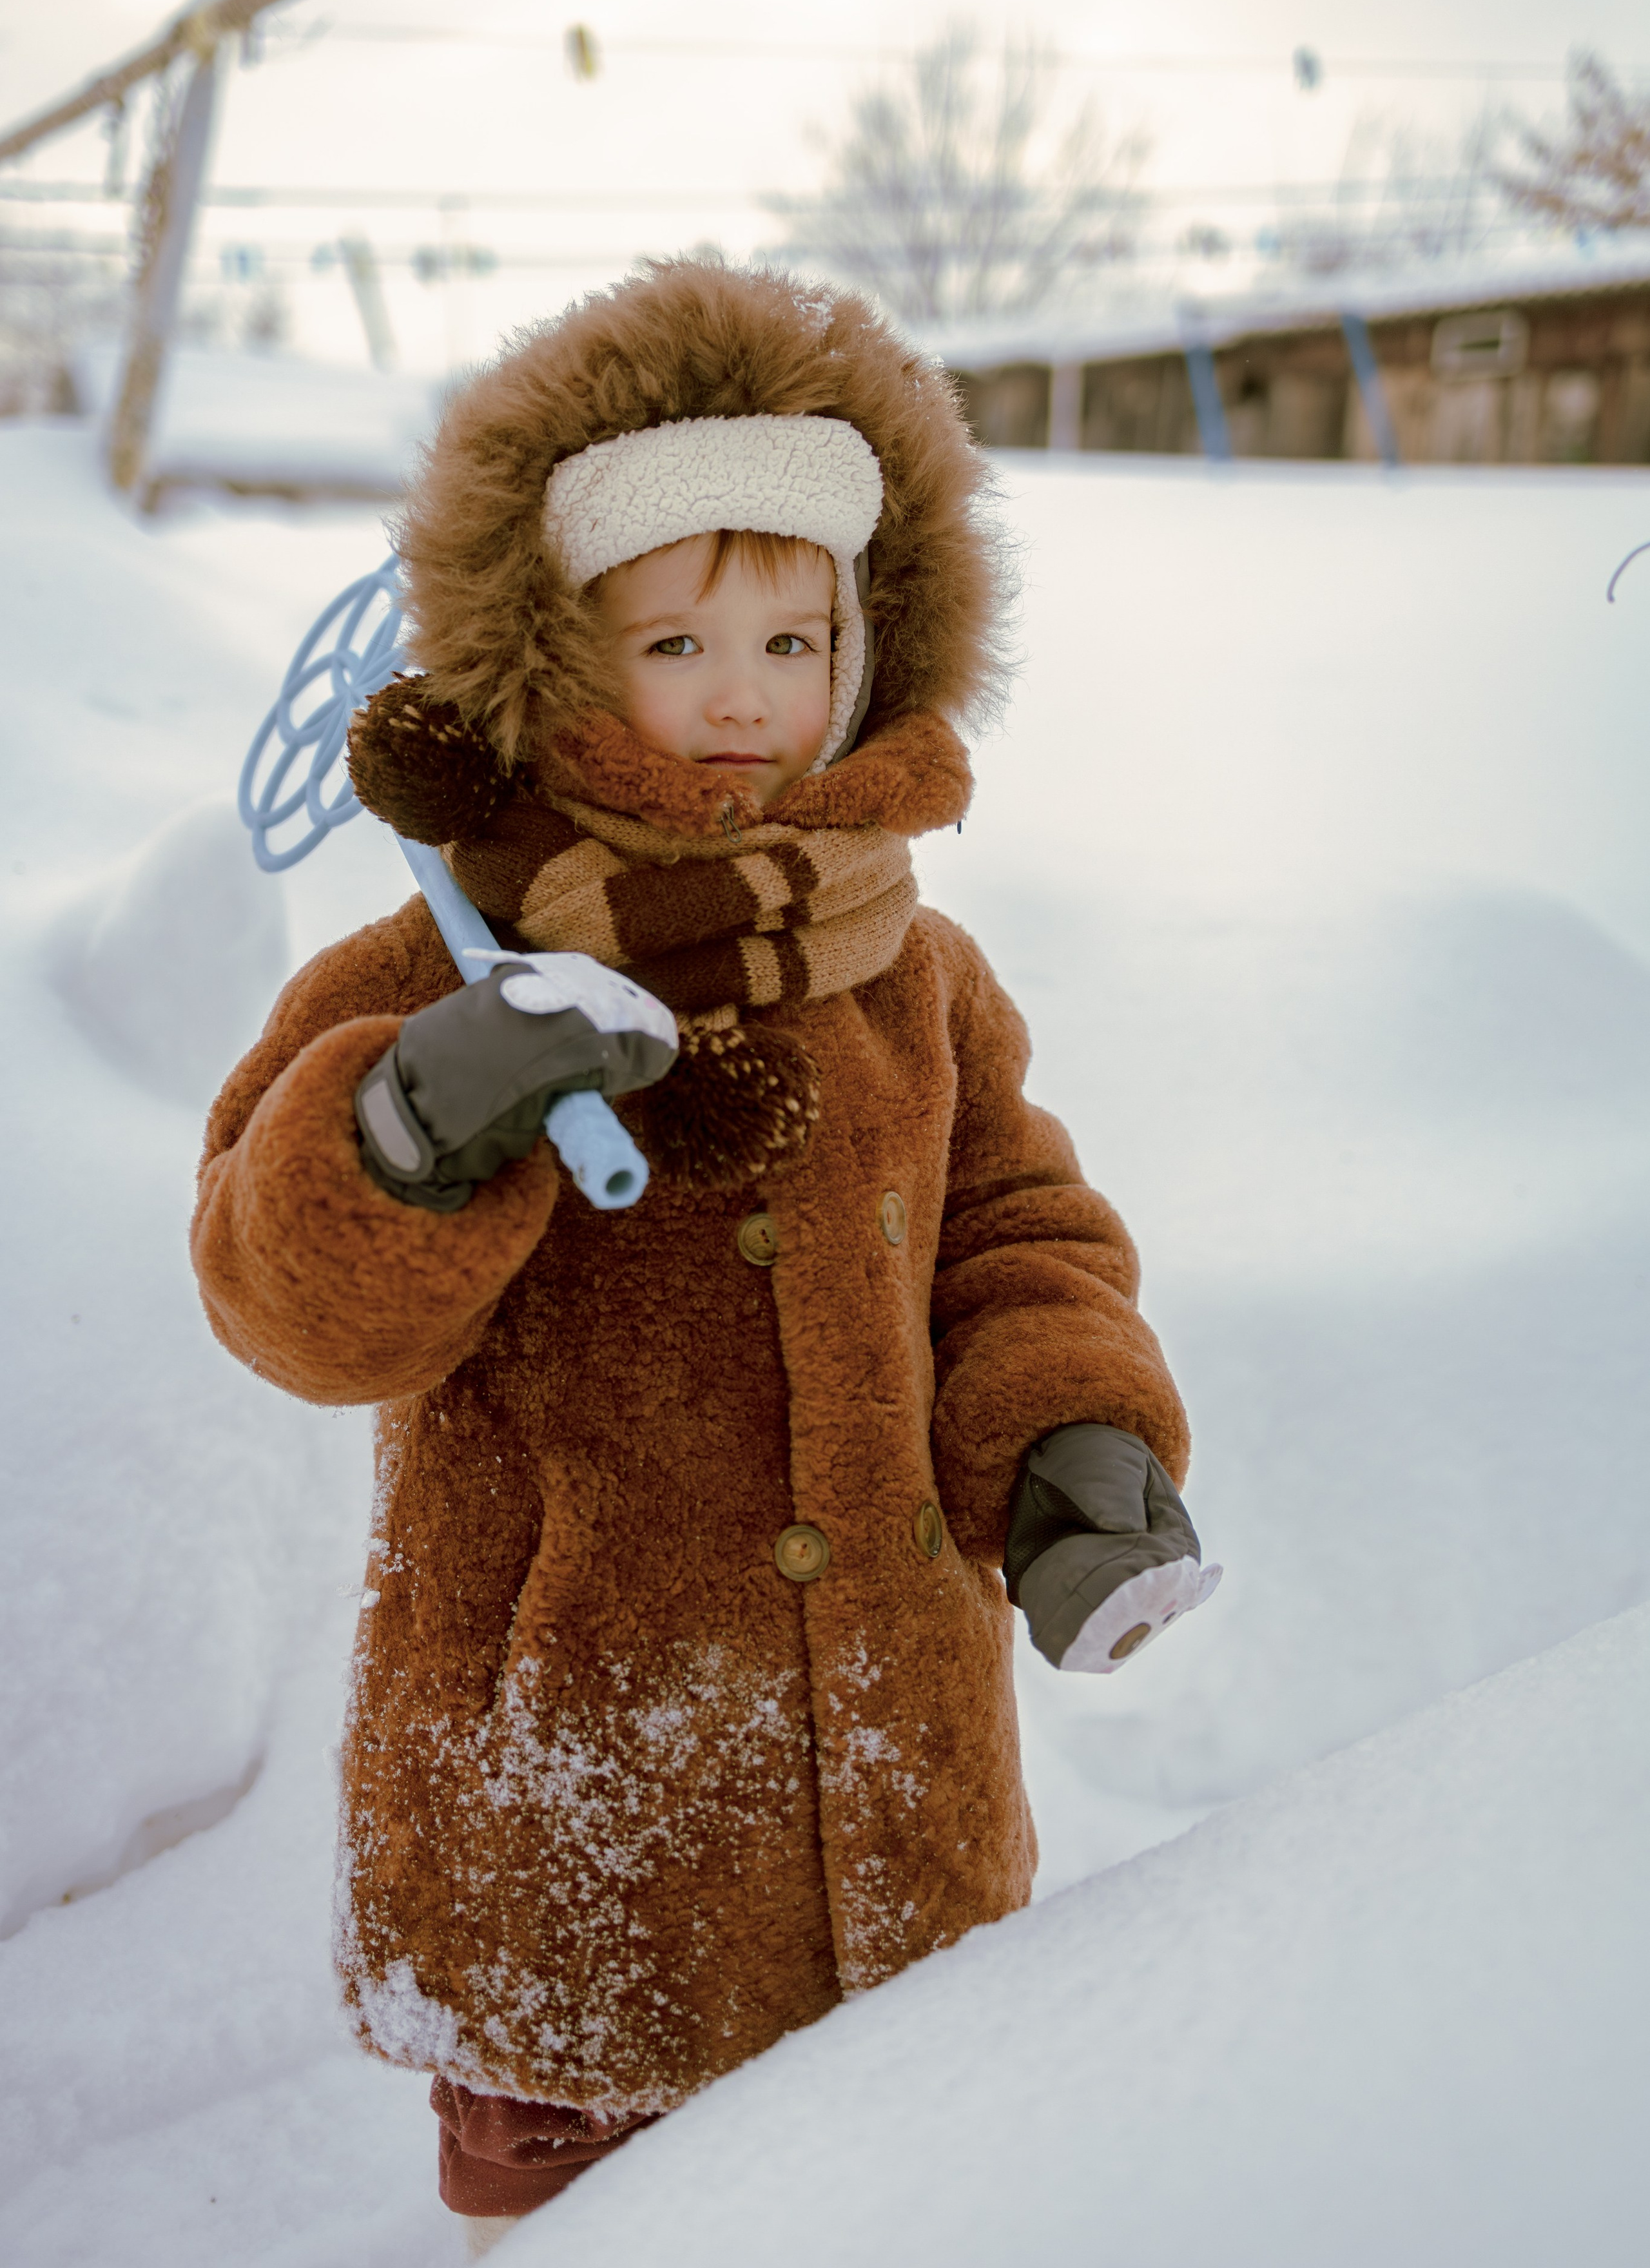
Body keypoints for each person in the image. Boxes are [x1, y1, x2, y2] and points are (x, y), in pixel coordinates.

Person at [191, 259, 1214, 2253]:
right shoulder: (439, 969)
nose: (743, 692)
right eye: (673, 637)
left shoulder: (911, 975)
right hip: (578, 1825)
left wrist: (1072, 1440)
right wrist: (409, 1128)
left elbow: (1014, 1235)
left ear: (873, 640)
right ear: (560, 653)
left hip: (897, 1810)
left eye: (791, 632)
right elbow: (275, 1297)